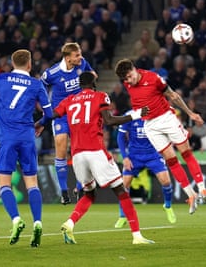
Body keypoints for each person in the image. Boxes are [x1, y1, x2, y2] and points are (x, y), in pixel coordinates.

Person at [50, 71, 154, 245]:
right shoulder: (100, 96)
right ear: (93, 83)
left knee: (89, 194)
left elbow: (52, 115)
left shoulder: (69, 100)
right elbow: (110, 120)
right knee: (121, 191)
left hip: (77, 155)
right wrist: (136, 114)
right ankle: (137, 236)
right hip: (96, 151)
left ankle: (70, 223)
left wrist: (36, 124)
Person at [114, 58, 206, 215]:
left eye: (130, 76)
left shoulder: (153, 78)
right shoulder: (128, 84)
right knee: (171, 160)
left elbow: (173, 96)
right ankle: (191, 195)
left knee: (185, 153)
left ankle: (202, 188)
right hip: (150, 126)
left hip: (166, 118)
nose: (128, 81)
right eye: (125, 79)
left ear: (135, 69)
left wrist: (190, 114)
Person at [0, 49, 53, 247]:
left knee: (4, 184)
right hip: (28, 137)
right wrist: (42, 123)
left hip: (7, 138)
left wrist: (1, 108)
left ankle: (16, 220)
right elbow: (50, 113)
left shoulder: (1, 79)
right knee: (32, 184)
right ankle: (37, 222)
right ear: (29, 64)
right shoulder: (37, 85)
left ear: (13, 63)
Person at [41, 42, 98, 205]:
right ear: (67, 58)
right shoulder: (52, 73)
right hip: (61, 114)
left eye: (80, 54)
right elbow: (41, 86)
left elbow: (91, 74)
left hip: (78, 112)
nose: (80, 57)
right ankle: (64, 191)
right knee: (60, 146)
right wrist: (45, 105)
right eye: (77, 55)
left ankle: (80, 186)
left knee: (80, 149)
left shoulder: (82, 64)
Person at [114, 112, 176, 228]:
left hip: (153, 155)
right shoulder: (130, 115)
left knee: (166, 181)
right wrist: (125, 157)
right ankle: (122, 216)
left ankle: (167, 206)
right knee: (124, 185)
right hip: (134, 156)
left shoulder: (156, 114)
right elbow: (120, 136)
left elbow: (166, 134)